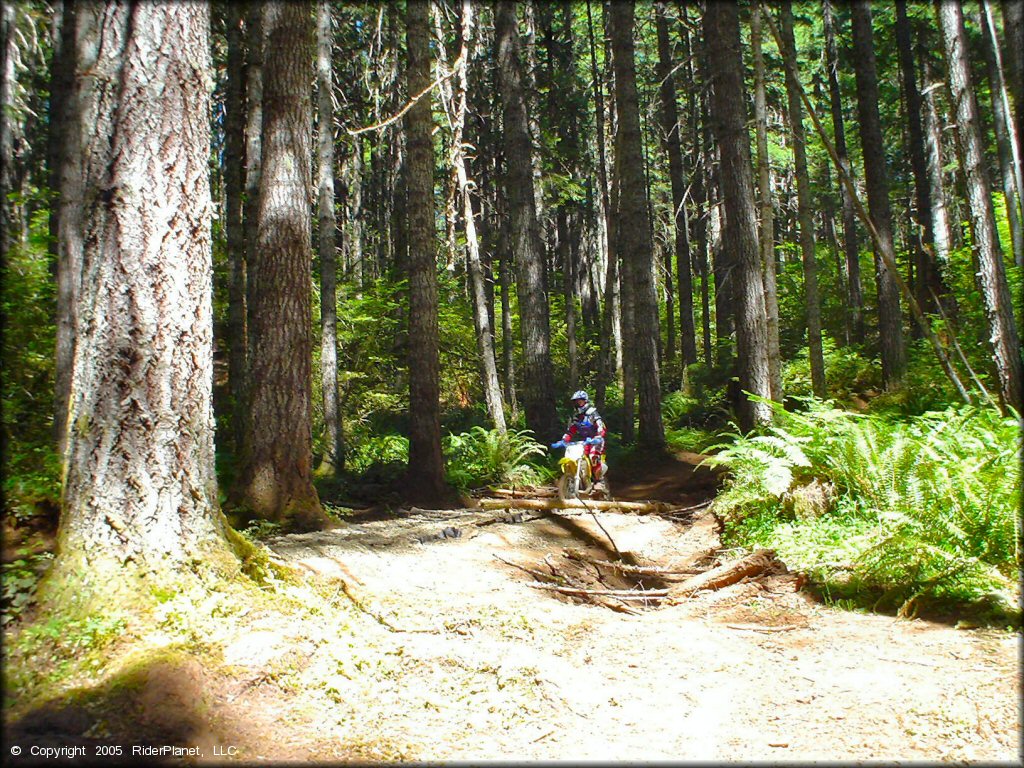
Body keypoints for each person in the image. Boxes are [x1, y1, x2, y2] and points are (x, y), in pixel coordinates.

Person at [550, 390, 608, 485]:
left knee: (593, 456)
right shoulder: (576, 417)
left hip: (596, 440)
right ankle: (575, 479)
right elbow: (570, 431)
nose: (578, 404)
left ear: (585, 401)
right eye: (576, 402)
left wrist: (599, 436)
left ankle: (600, 481)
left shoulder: (593, 413)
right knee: (575, 456)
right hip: (585, 441)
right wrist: (563, 441)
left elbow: (601, 427)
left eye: (580, 401)